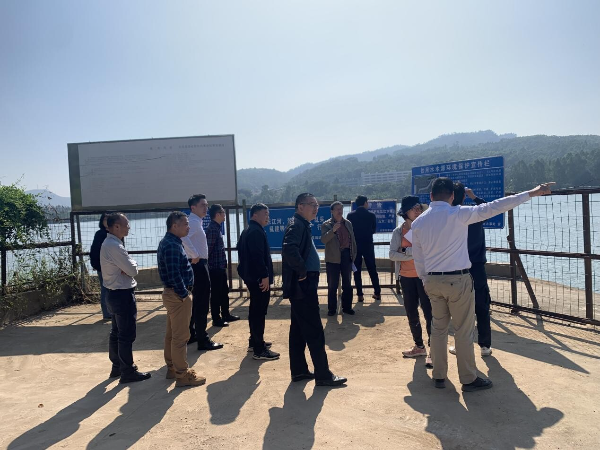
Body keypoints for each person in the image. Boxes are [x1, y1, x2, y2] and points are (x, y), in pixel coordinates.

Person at [411, 178, 554, 392]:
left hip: (432, 281)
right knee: (463, 330)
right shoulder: (459, 214)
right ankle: (468, 378)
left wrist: (424, 279)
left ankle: (439, 375)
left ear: (431, 196)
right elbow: (496, 206)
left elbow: (418, 257)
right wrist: (532, 192)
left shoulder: (418, 223)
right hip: (458, 280)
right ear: (452, 196)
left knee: (438, 328)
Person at [282, 193, 347, 387]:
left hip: (303, 283)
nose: (316, 208)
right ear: (300, 206)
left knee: (298, 330)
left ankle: (299, 371)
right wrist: (302, 271)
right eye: (312, 204)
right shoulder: (296, 224)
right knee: (314, 329)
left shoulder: (301, 224)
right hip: (303, 283)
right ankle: (323, 374)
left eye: (317, 205)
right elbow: (289, 248)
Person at [100, 212, 151, 383]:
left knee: (117, 332)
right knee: (126, 334)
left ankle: (117, 367)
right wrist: (131, 264)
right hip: (122, 294)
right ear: (116, 227)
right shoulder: (114, 246)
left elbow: (128, 267)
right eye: (126, 224)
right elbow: (133, 270)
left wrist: (128, 264)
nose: (128, 227)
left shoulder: (111, 243)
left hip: (113, 293)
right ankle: (127, 371)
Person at [157, 211, 207, 387]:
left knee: (172, 334)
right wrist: (184, 295)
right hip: (178, 295)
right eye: (185, 224)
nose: (188, 227)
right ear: (174, 226)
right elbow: (174, 274)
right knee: (181, 337)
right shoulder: (172, 245)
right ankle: (182, 374)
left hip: (173, 294)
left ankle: (172, 368)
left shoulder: (171, 242)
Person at [389, 196, 433, 368]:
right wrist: (413, 253)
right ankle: (419, 346)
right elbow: (392, 254)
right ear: (405, 212)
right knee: (411, 312)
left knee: (430, 313)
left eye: (419, 208)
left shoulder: (425, 228)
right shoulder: (398, 232)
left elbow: (429, 251)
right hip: (406, 277)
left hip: (424, 277)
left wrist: (406, 250)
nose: (418, 211)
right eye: (414, 208)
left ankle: (433, 350)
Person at [450, 182, 493, 357]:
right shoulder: (473, 214)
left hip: (457, 267)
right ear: (463, 197)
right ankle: (485, 345)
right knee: (481, 305)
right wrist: (473, 196)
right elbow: (488, 208)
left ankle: (460, 344)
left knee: (459, 308)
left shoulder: (449, 217)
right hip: (477, 266)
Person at [237, 203, 280, 360]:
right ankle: (259, 349)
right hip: (258, 278)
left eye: (268, 214)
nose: (268, 217)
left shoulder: (249, 230)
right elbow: (257, 256)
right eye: (265, 214)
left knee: (255, 310)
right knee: (258, 312)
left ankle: (254, 341)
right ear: (255, 215)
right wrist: (264, 275)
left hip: (251, 276)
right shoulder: (255, 231)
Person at [181, 194, 223, 351]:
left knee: (198, 302)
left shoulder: (195, 221)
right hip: (198, 265)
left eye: (206, 205)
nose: (206, 208)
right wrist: (194, 254)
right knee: (202, 302)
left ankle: (192, 334)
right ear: (193, 208)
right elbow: (183, 238)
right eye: (202, 205)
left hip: (200, 263)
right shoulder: (192, 222)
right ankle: (202, 339)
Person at [206, 204, 240, 327]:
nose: (224, 215)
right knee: (216, 294)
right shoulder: (212, 229)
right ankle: (216, 318)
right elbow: (208, 250)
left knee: (224, 291)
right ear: (217, 214)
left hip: (220, 266)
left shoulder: (217, 228)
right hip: (214, 268)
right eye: (223, 213)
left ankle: (226, 314)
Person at [321, 201, 357, 316]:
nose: (339, 211)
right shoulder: (326, 225)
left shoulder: (348, 223)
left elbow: (352, 240)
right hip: (332, 258)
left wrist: (353, 254)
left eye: (341, 209)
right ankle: (332, 309)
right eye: (337, 209)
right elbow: (324, 240)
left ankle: (347, 307)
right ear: (332, 211)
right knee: (332, 285)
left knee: (347, 284)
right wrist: (333, 230)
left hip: (346, 255)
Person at [347, 195, 381, 301]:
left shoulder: (350, 215)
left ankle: (360, 295)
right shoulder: (371, 215)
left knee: (356, 270)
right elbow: (373, 230)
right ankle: (377, 293)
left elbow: (349, 231)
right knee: (372, 269)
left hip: (356, 245)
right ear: (365, 203)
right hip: (368, 245)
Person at [90, 213, 111, 320]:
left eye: (108, 219)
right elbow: (94, 250)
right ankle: (106, 313)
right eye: (105, 219)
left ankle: (111, 311)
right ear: (102, 221)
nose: (106, 221)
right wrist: (96, 264)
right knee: (105, 289)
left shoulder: (113, 233)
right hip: (102, 266)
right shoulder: (100, 234)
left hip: (111, 266)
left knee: (110, 289)